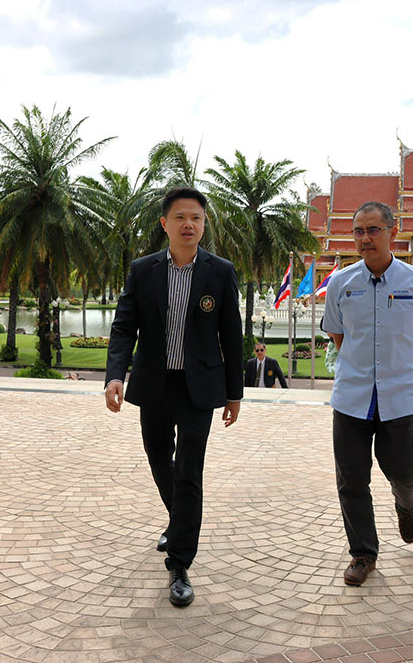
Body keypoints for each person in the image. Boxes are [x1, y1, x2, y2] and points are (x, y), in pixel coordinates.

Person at [104, 187, 243, 607]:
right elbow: (124, 326)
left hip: (198, 388)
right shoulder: (143, 270)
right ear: (165, 224)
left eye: (196, 218)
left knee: (188, 472)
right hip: (154, 384)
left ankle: (180, 563)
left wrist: (234, 394)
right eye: (180, 217)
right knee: (158, 460)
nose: (189, 224)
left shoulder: (220, 272)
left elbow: (231, 336)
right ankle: (179, 520)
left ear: (204, 224)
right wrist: (115, 376)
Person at [321, 201, 413, 587]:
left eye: (373, 230)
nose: (365, 238)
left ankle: (407, 505)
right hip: (351, 398)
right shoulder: (341, 283)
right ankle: (363, 553)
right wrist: (363, 366)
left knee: (404, 472)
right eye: (358, 231)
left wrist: (397, 366)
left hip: (400, 397)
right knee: (351, 480)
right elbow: (338, 334)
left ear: (393, 232)